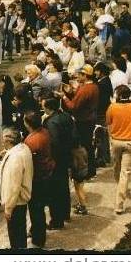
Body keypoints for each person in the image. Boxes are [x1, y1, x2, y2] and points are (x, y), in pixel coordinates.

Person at [106, 85, 131, 214]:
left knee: (116, 167)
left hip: (116, 141)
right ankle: (119, 204)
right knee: (125, 172)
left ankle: (120, 187)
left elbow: (108, 121)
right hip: (130, 142)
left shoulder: (112, 107)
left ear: (118, 95)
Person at [60, 65, 99, 179]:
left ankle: (87, 170)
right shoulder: (93, 86)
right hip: (89, 118)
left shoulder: (85, 89)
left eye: (79, 75)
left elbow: (73, 106)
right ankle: (90, 169)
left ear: (85, 76)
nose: (77, 77)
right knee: (88, 145)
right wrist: (71, 93)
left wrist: (64, 97)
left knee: (84, 146)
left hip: (83, 120)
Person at [23, 111, 55, 248]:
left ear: (28, 124)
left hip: (37, 178)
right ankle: (36, 232)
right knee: (39, 208)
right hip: (47, 173)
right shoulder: (45, 132)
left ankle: (38, 238)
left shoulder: (31, 141)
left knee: (36, 210)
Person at [42, 98, 76, 229]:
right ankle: (66, 214)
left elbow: (54, 142)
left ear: (48, 108)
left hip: (56, 159)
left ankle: (57, 220)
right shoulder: (66, 116)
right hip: (66, 156)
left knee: (55, 192)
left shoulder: (51, 122)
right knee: (64, 187)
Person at [0, 129, 33, 249]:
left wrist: (8, 208)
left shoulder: (15, 159)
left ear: (8, 140)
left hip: (15, 202)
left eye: (3, 137)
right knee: (20, 232)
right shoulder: (23, 148)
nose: (1, 140)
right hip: (20, 200)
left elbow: (14, 187)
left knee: (15, 236)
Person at [93, 62, 113, 167]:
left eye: (96, 70)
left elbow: (101, 100)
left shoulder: (102, 84)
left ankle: (102, 158)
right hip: (104, 111)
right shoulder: (105, 81)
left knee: (100, 135)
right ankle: (105, 157)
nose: (95, 73)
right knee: (103, 135)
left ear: (101, 72)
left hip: (101, 112)